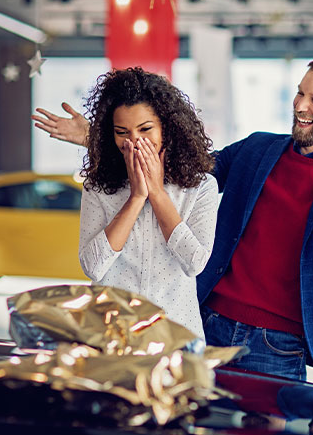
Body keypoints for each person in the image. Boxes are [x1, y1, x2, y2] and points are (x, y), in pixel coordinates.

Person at [32, 55, 313, 381]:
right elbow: (185, 167)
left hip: (280, 343)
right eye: (300, 93)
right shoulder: (257, 149)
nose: (300, 105)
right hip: (211, 322)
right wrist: (104, 140)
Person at [71, 67, 217, 338]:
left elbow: (194, 263)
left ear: (168, 128)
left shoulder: (200, 187)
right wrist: (136, 198)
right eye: (121, 132)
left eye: (145, 129)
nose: (134, 142)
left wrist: (157, 194)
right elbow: (92, 266)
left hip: (175, 337)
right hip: (109, 336)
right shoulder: (97, 186)